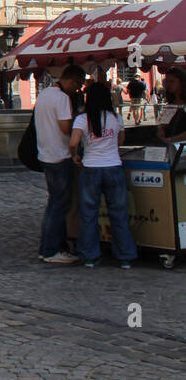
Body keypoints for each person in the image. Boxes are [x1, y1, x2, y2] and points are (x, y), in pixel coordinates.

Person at [70, 82, 137, 269]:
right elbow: (120, 140)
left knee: (89, 214)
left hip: (91, 167)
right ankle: (125, 256)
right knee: (119, 214)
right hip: (114, 166)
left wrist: (75, 155)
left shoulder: (83, 119)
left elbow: (74, 142)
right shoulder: (116, 118)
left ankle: (90, 256)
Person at [35, 64, 86, 265]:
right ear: (72, 80)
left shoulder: (44, 94)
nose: (78, 89)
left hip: (46, 153)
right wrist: (79, 120)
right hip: (60, 155)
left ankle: (47, 247)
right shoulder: (63, 98)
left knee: (53, 205)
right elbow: (66, 129)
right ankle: (51, 249)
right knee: (59, 206)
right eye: (79, 85)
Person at [156, 67, 186, 142]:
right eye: (167, 81)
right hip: (171, 147)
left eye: (172, 81)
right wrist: (161, 128)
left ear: (181, 82)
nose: (168, 84)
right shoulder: (171, 103)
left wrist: (172, 139)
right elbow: (162, 122)